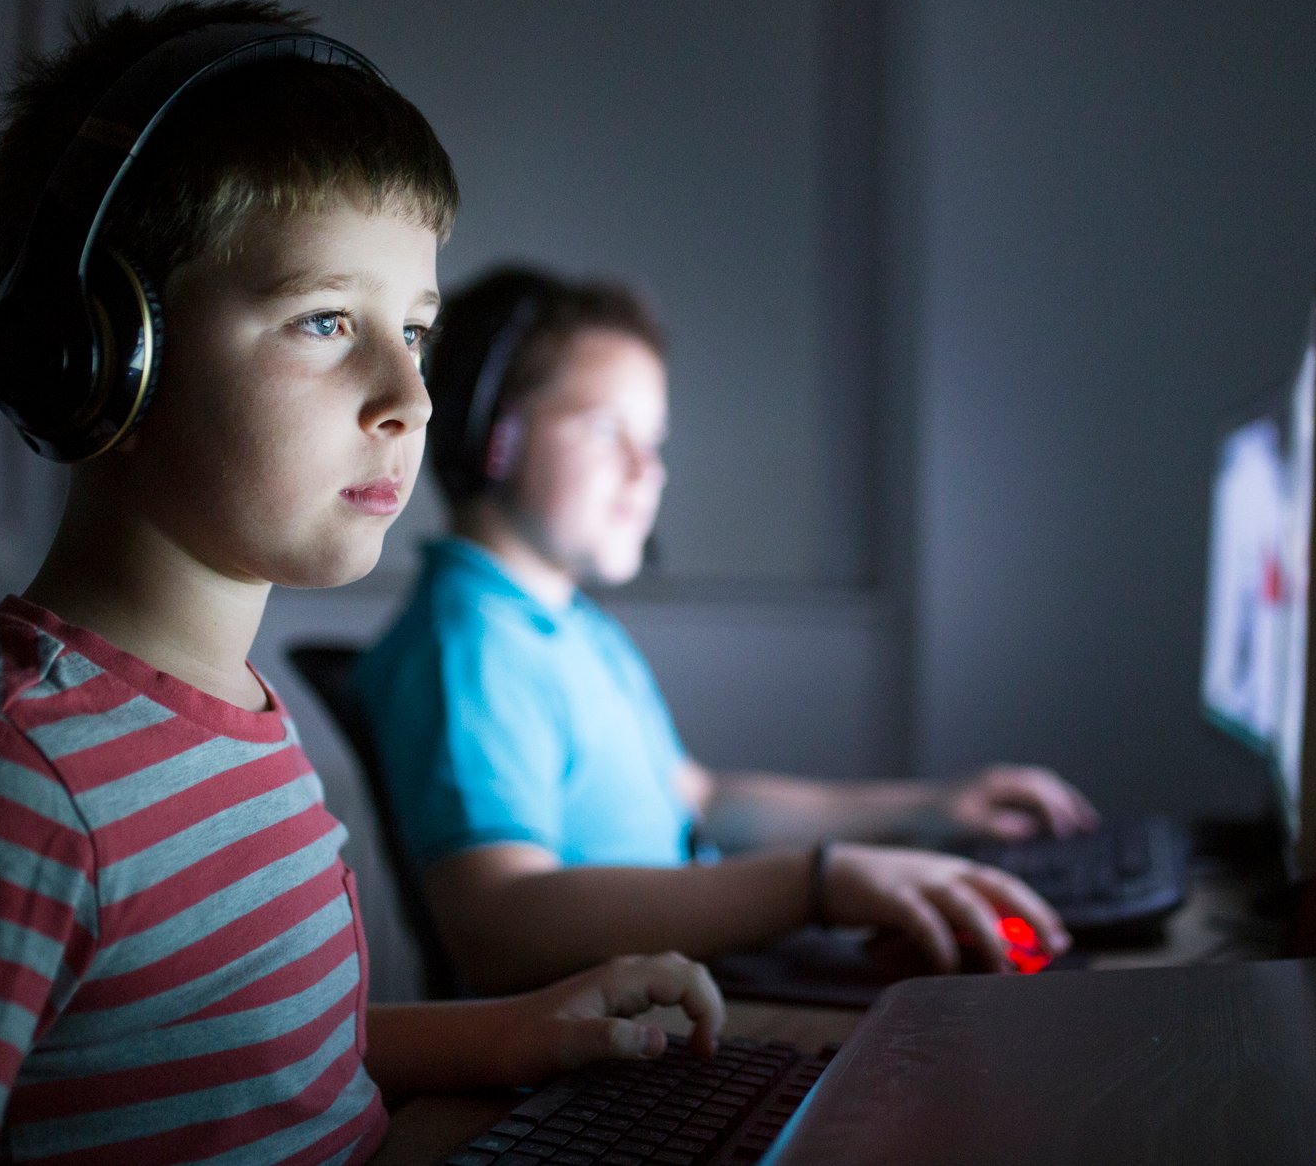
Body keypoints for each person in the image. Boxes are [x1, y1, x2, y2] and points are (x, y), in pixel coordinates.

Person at [0, 3, 722, 1165]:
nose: (406, 393)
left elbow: (248, 1063)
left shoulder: (240, 716)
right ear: (98, 354)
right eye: (322, 319)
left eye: (415, 330)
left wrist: (502, 1036)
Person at [355, 266, 1101, 994]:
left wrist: (929, 808)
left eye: (654, 440)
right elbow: (496, 925)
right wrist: (813, 885)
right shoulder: (474, 648)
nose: (648, 470)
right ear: (494, 437)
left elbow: (701, 799)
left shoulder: (568, 627)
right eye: (606, 428)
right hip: (611, 1037)